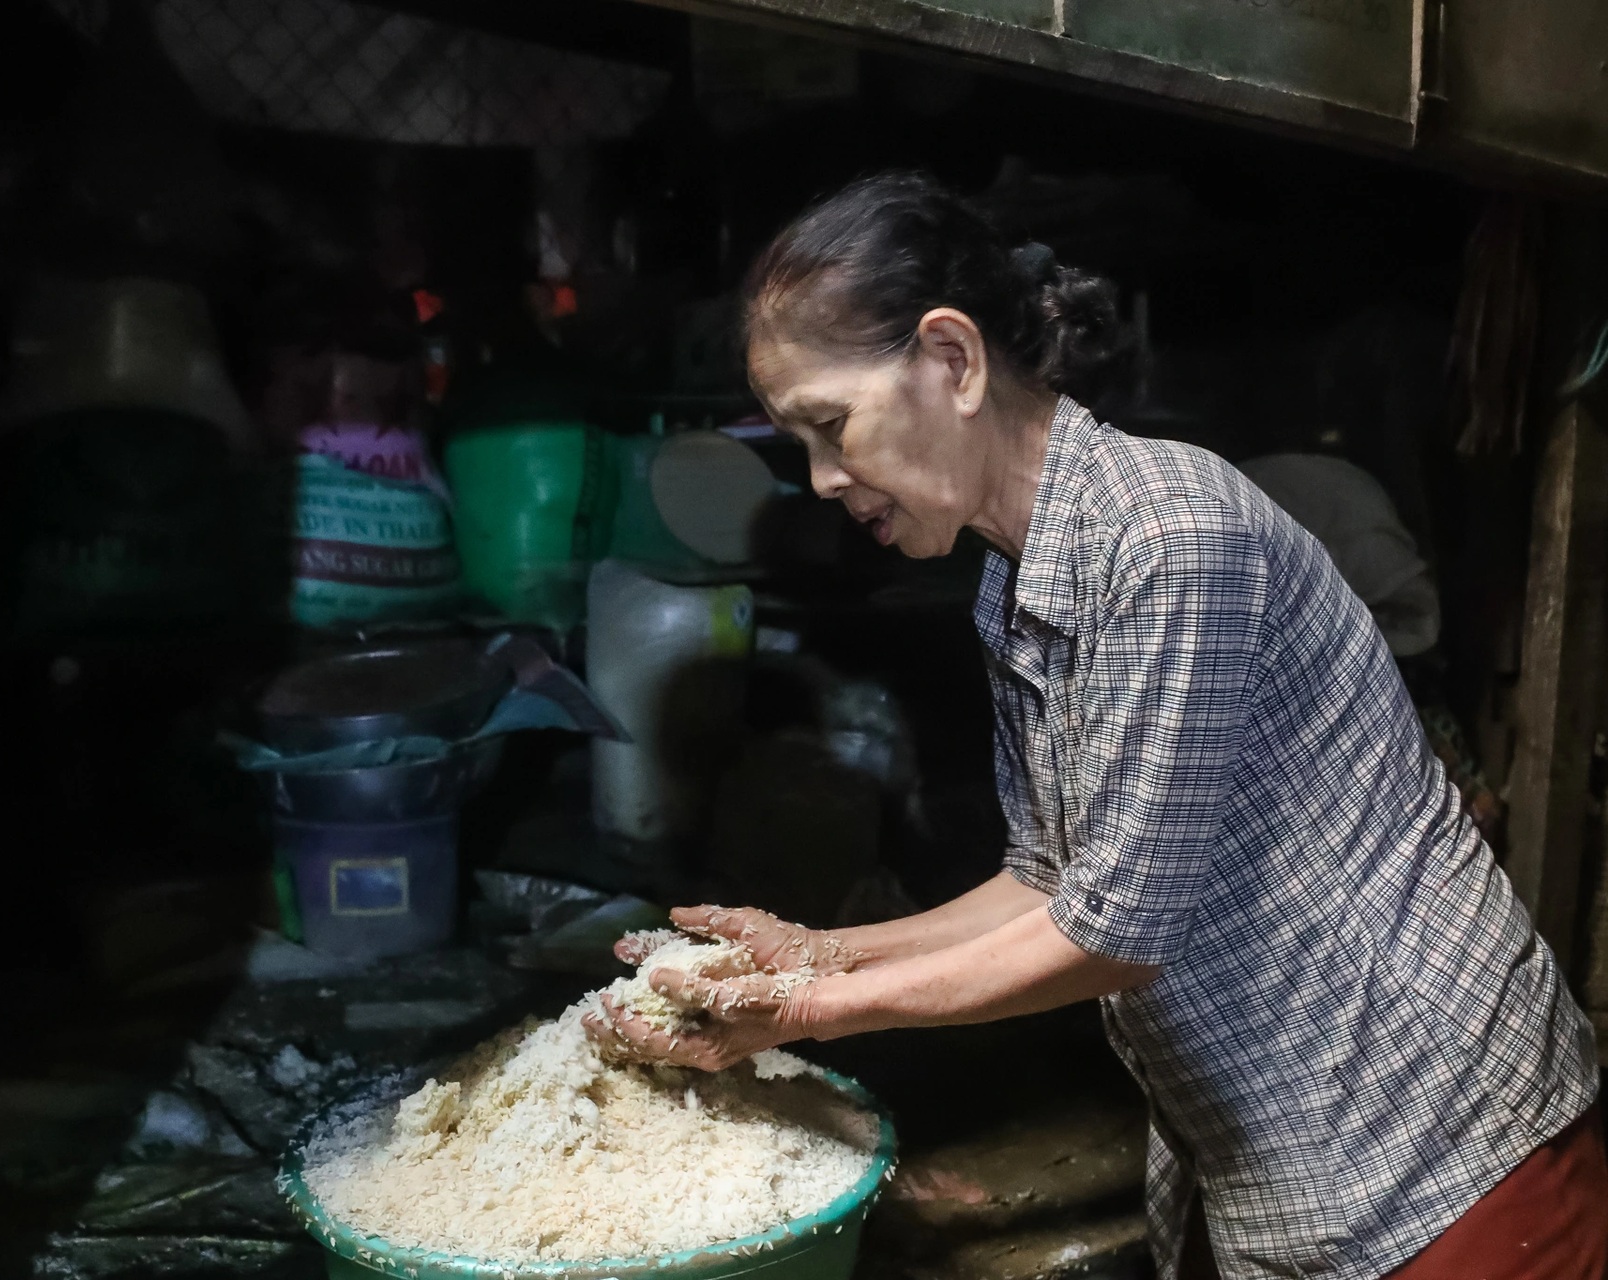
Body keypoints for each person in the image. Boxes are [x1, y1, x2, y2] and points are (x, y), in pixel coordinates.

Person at [584, 172, 1606, 1280]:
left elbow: (1108, 934)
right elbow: (1049, 881)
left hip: (1446, 1152)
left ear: (954, 359)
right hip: (1300, 1155)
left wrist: (811, 1006)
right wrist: (821, 948)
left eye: (831, 426)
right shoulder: (1018, 580)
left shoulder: (1168, 540)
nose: (824, 480)